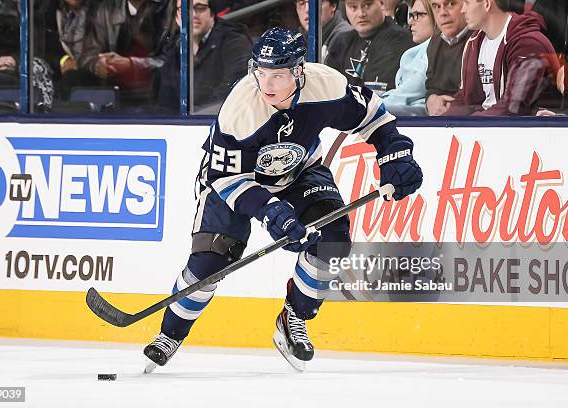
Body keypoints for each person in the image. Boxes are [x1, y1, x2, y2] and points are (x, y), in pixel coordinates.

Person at [143, 27, 423, 372]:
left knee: (332, 240)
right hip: (234, 181)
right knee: (211, 260)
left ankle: (294, 317)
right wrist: (272, 213)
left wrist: (394, 152)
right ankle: (170, 334)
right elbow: (226, 178)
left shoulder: (327, 86)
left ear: (298, 70)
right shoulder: (240, 110)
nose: (268, 84)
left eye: (277, 74)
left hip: (298, 170)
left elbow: (373, 117)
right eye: (261, 73)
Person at [445, 0, 560, 116]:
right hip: (488, 126)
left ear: (486, 4)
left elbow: (514, 107)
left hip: (534, 129)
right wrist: (440, 124)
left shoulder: (528, 43)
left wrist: (469, 124)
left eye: (467, 3)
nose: (462, 10)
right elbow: (464, 97)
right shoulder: (474, 42)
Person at [325, 0, 415, 91]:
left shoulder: (401, 41)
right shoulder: (341, 42)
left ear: (382, 3)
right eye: (353, 7)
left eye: (367, 5)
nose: (361, 14)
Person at [382, 0, 436, 115]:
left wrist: (373, 105)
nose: (410, 22)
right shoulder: (412, 54)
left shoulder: (436, 50)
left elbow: (410, 92)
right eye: (411, 15)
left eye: (418, 15)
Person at [425, 0, 470, 115]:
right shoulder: (436, 40)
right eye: (436, 6)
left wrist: (453, 109)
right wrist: (431, 100)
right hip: (441, 116)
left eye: (451, 4)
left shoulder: (481, 38)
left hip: (471, 119)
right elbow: (432, 85)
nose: (442, 13)